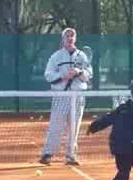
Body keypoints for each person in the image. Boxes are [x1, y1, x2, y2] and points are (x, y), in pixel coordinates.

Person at [40, 27, 93, 165]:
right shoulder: (56, 56)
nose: (70, 38)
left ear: (75, 39)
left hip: (78, 95)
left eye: (72, 36)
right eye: (67, 36)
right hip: (61, 95)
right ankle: (47, 154)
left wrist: (79, 72)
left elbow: (88, 75)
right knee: (55, 125)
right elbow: (48, 75)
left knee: (74, 127)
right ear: (63, 39)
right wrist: (63, 76)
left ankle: (71, 156)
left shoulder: (82, 56)